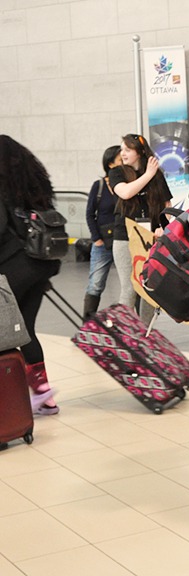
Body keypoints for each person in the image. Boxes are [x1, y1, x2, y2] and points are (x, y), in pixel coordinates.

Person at [0, 135, 63, 415]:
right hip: (40, 264)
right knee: (25, 330)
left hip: (14, 268)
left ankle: (9, 403)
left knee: (5, 333)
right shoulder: (32, 185)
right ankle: (44, 396)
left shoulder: (2, 188)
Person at [108, 134, 173, 327]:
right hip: (125, 237)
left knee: (148, 287)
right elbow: (126, 192)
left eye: (128, 149)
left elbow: (167, 204)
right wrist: (148, 175)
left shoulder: (156, 174)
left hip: (150, 237)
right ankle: (123, 333)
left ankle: (144, 333)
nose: (123, 153)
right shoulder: (117, 173)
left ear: (139, 152)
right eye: (122, 150)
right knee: (129, 288)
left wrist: (163, 226)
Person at [83, 145, 121, 319]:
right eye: (121, 159)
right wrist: (96, 238)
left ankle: (134, 324)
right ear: (111, 164)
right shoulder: (98, 186)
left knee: (131, 284)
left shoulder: (126, 185)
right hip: (102, 243)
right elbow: (90, 214)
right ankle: (88, 323)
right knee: (96, 284)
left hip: (124, 240)